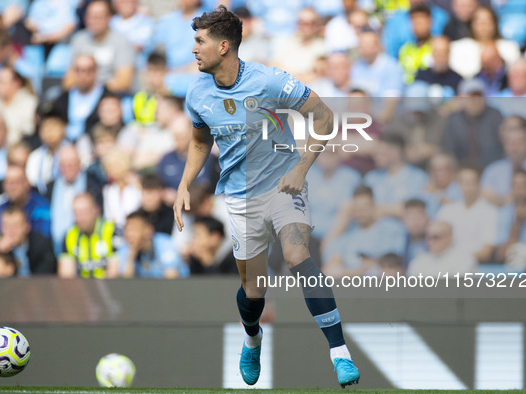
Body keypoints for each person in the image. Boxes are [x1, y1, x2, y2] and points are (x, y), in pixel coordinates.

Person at [174, 7, 360, 387]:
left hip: (282, 185)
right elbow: (199, 140)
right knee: (253, 289)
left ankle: (340, 353)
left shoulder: (270, 81)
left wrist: (301, 168)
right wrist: (183, 184)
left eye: (199, 41)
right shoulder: (196, 93)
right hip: (239, 198)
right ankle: (252, 338)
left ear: (223, 46)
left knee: (296, 254)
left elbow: (324, 117)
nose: (193, 49)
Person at [64, 0, 135, 93]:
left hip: (110, 96)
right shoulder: (79, 39)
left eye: (99, 17)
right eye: (91, 16)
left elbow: (124, 82)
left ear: (109, 17)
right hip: (82, 94)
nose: (94, 21)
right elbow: (68, 81)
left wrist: (92, 86)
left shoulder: (122, 41)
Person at [436, 164, 498, 262]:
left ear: (479, 184)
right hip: (445, 265)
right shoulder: (446, 210)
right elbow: (436, 240)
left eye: (471, 182)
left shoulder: (490, 211)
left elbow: (486, 251)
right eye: (463, 182)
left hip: (474, 267)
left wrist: (460, 260)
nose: (467, 187)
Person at [481, 115, 526, 206]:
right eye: (511, 143)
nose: (515, 148)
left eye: (519, 143)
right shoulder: (492, 170)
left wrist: (501, 199)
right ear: (504, 146)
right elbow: (486, 196)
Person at [58, 193, 120, 279]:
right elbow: (66, 275)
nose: (79, 219)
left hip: (109, 288)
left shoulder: (111, 231)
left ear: (96, 210)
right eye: (76, 214)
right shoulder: (70, 235)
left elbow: (115, 272)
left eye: (83, 213)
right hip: (81, 289)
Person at [118, 210, 187, 278]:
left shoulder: (164, 243)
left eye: (134, 229)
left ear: (148, 230)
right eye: (127, 230)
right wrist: (131, 257)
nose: (129, 234)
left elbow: (171, 279)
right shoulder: (125, 249)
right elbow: (126, 284)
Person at [0, 164, 51, 238]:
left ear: (26, 183)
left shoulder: (41, 208)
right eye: (7, 183)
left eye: (15, 183)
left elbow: (43, 238)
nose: (10, 188)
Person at [0, 205, 56, 276]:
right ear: (0, 228)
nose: (11, 231)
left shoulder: (41, 244)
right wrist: (0, 253)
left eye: (16, 226)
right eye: (6, 226)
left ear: (27, 226)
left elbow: (44, 277)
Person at [407, 220, 477, 275]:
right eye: (428, 237)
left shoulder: (465, 260)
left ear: (449, 237)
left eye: (436, 237)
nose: (431, 242)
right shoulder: (419, 261)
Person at [25, 114, 67, 195]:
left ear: (63, 128)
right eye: (45, 127)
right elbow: (32, 181)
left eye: (53, 126)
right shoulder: (34, 157)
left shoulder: (72, 153)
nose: (49, 131)